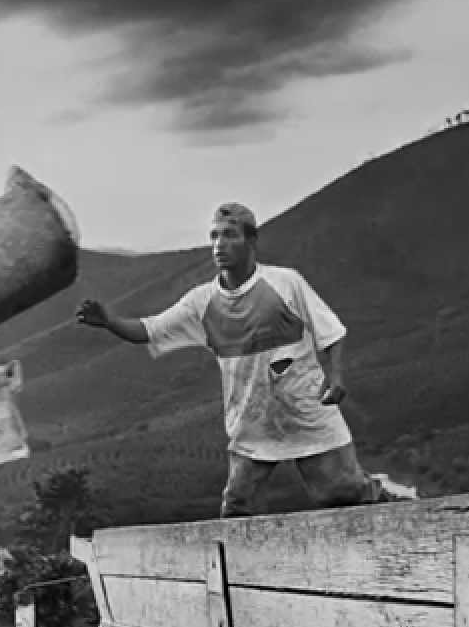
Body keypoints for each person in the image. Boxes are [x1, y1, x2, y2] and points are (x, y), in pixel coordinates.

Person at [76, 202, 417, 518]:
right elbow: (149, 329)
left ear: (251, 240)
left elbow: (331, 332)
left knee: (340, 491)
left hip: (305, 410)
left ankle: (389, 496)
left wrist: (337, 376)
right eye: (214, 236)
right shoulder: (202, 302)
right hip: (253, 422)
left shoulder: (285, 284)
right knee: (237, 505)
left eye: (229, 235)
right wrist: (109, 321)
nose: (218, 245)